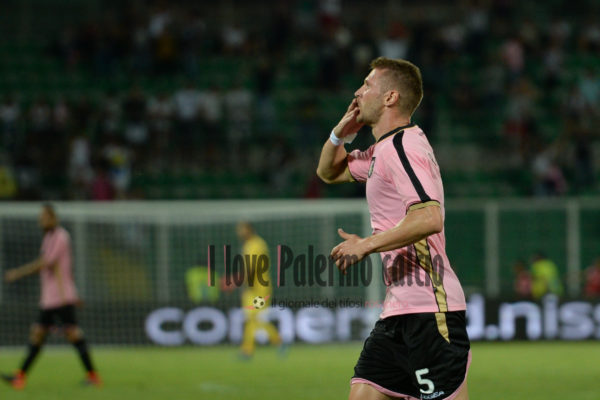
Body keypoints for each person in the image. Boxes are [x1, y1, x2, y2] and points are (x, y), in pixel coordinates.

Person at [317, 57, 470, 400]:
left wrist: (367, 244)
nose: (357, 92)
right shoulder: (381, 151)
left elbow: (429, 217)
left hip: (428, 310)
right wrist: (340, 133)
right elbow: (328, 172)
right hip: (398, 311)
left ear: (390, 97)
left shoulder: (402, 147)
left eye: (367, 85)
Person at [2, 204, 101, 390]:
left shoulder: (61, 236)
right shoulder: (48, 237)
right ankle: (20, 376)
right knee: (38, 334)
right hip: (50, 298)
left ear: (53, 218)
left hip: (61, 298)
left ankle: (93, 376)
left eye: (44, 217)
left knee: (72, 334)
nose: (41, 220)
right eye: (40, 217)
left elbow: (46, 263)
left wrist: (17, 273)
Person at [236, 221, 283, 358]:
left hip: (260, 288)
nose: (239, 232)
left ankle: (278, 342)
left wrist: (241, 282)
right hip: (251, 287)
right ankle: (247, 350)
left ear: (249, 229)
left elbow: (252, 267)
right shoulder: (249, 244)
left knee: (257, 317)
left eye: (241, 229)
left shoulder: (256, 244)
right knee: (251, 318)